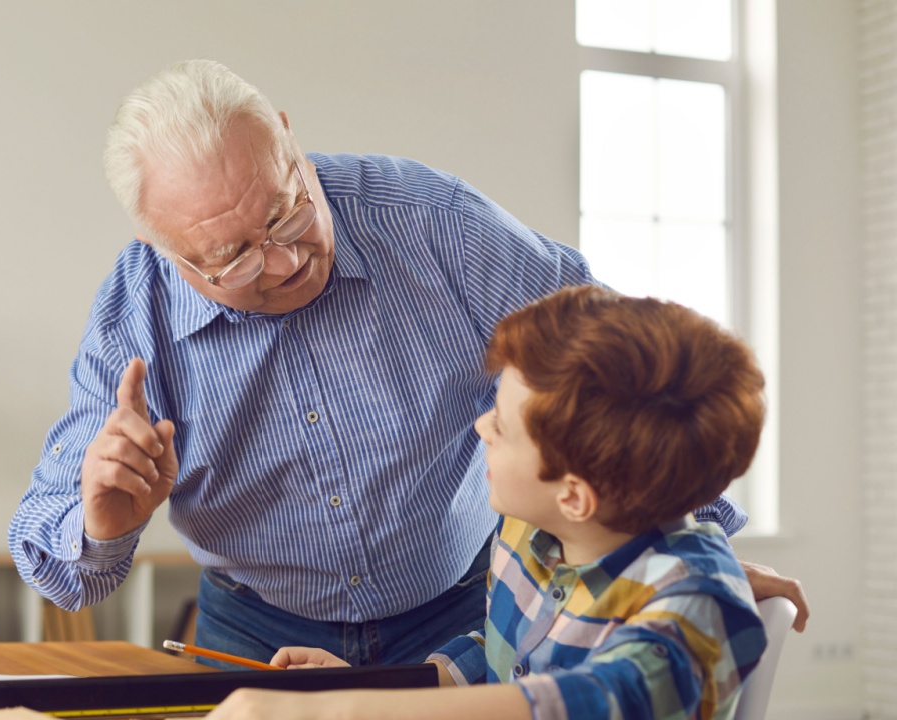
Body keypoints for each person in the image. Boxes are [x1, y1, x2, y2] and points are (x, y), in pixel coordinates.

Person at [7, 59, 806, 667]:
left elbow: (618, 368)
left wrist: (698, 548)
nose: (283, 262)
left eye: (287, 212)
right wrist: (102, 521)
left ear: (287, 136)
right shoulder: (132, 314)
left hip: (469, 612)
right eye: (235, 258)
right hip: (257, 631)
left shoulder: (432, 225)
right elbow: (59, 570)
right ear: (165, 249)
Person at [207, 286, 769, 720]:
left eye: (501, 425)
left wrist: (338, 711)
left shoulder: (697, 603)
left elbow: (593, 700)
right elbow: (505, 654)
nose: (480, 427)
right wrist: (370, 686)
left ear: (574, 495)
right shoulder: (526, 530)